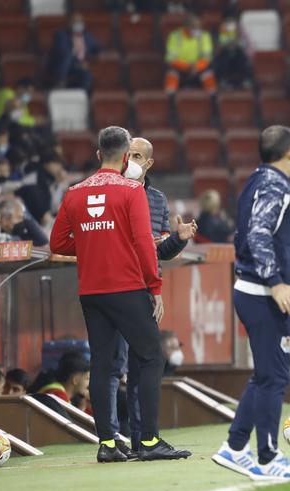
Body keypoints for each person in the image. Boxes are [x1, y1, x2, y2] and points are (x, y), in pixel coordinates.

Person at [48, 126, 189, 463]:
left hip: (92, 292)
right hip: (127, 288)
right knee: (152, 357)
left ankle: (108, 444)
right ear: (126, 157)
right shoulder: (131, 191)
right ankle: (149, 440)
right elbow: (144, 243)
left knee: (103, 364)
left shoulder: (75, 192)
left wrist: (94, 243)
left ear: (99, 155)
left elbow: (58, 243)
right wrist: (155, 287)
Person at [211, 125, 290, 481]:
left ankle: (235, 447)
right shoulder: (275, 184)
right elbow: (257, 232)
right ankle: (269, 458)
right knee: (274, 379)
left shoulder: (256, 180)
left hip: (251, 288)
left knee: (266, 375)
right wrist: (276, 283)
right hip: (263, 292)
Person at [102, 136, 197, 458]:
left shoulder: (156, 199)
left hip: (143, 288)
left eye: (139, 156)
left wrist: (180, 240)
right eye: (129, 154)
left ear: (149, 163)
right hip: (116, 286)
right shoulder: (107, 192)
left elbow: (156, 250)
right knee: (114, 364)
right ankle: (113, 439)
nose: (132, 160)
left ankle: (142, 438)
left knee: (143, 365)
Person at [164, 14, 216, 94]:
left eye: (199, 27)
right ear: (186, 26)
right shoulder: (175, 36)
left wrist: (196, 67)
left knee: (208, 74)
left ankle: (213, 98)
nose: (197, 29)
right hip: (181, 67)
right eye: (194, 27)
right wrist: (187, 67)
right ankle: (170, 98)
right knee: (172, 74)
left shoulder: (204, 36)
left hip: (198, 68)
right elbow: (170, 58)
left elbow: (207, 57)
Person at [48, 14, 102, 91]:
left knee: (88, 75)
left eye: (80, 21)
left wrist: (88, 61)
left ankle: (82, 96)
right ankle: (60, 84)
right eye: (76, 21)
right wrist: (79, 62)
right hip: (63, 65)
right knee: (68, 57)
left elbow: (98, 47)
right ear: (70, 23)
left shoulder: (87, 36)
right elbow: (63, 52)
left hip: (80, 67)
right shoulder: (61, 35)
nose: (78, 24)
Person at [213, 17, 253, 91]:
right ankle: (223, 81)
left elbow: (249, 48)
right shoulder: (223, 30)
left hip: (238, 56)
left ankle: (246, 81)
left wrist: (238, 43)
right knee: (224, 55)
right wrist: (225, 45)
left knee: (242, 55)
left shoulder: (242, 31)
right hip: (225, 56)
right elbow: (218, 49)